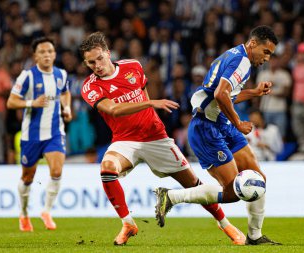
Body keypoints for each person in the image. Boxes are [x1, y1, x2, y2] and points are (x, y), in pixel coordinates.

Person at [79, 31, 245, 246]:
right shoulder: (90, 86)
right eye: (91, 62)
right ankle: (128, 223)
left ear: (108, 53)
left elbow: (143, 91)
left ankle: (225, 224)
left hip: (156, 137)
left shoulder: (133, 66)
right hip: (125, 140)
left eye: (100, 58)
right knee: (107, 168)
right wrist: (150, 104)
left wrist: (150, 111)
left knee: (192, 183)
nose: (97, 65)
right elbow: (113, 110)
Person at [155, 25, 281, 245]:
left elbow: (227, 96)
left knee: (258, 180)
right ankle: (172, 196)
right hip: (206, 128)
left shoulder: (237, 56)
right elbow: (220, 94)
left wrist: (254, 92)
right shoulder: (241, 61)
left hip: (220, 123)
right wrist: (238, 122)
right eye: (266, 52)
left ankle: (255, 236)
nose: (268, 58)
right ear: (253, 44)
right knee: (233, 191)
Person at [6, 37, 72, 232]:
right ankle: (24, 214)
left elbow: (65, 92)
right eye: (42, 52)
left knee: (57, 171)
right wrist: (31, 103)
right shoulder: (27, 76)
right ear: (35, 56)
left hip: (54, 133)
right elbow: (11, 102)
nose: (46, 55)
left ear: (54, 54)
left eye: (50, 51)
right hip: (31, 136)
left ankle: (46, 211)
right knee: (28, 177)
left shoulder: (61, 74)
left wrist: (66, 107)